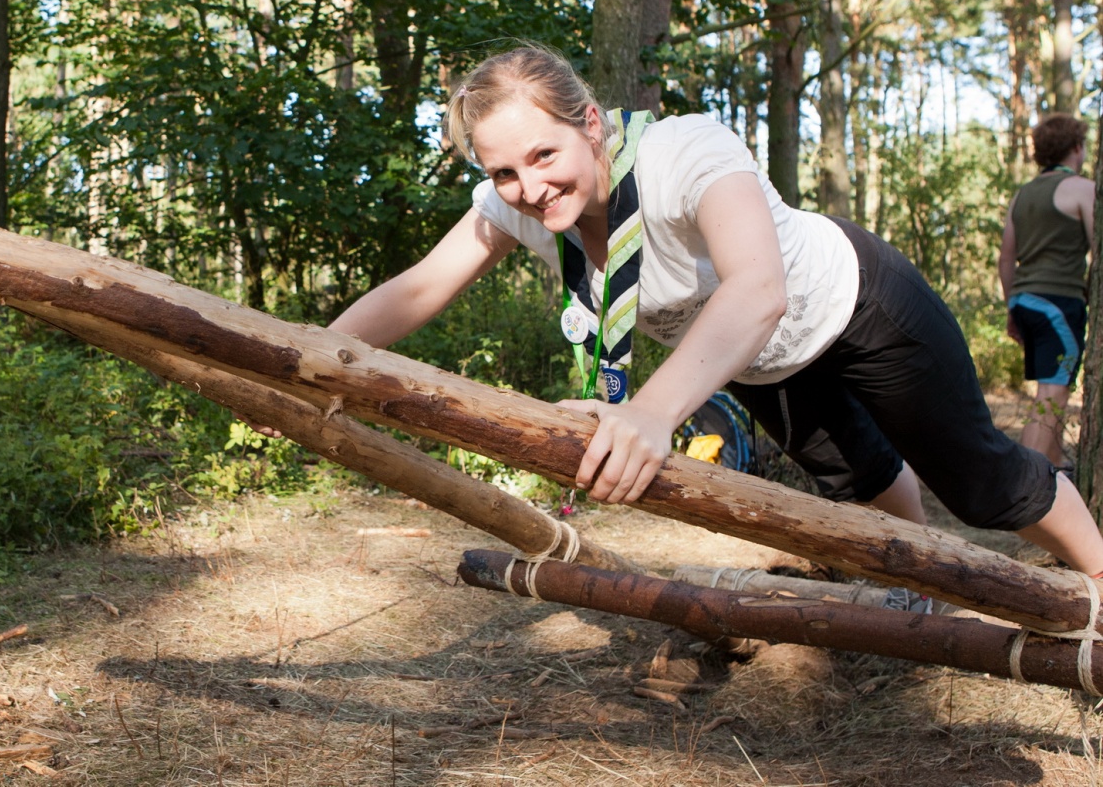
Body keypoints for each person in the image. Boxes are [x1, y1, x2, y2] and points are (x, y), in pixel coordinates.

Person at [323, 45, 1103, 576]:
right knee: (857, 477)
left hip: (856, 305)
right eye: (504, 171)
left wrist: (653, 414)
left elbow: (759, 289)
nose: (529, 187)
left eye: (543, 156)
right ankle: (920, 585)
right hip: (753, 354)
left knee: (983, 486)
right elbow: (422, 284)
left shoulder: (686, 150)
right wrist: (317, 355)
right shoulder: (512, 207)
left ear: (590, 123)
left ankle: (1099, 583)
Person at [999, 113, 1095, 468]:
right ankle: (1032, 490)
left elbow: (1006, 259)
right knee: (1052, 397)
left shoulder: (1022, 196)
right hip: (1059, 304)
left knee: (1046, 393)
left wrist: (1012, 307)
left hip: (1026, 302)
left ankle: (1054, 474)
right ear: (1076, 147)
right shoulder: (1084, 188)